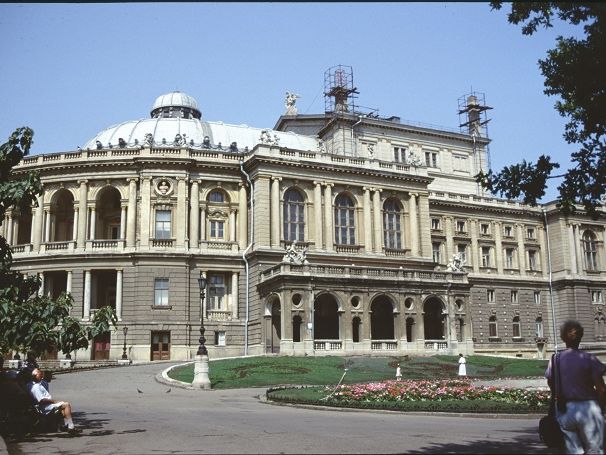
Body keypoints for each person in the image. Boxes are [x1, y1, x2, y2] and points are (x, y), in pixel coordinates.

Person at [545, 320, 606, 454]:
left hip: (565, 409)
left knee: (573, 451)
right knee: (595, 450)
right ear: (581, 337)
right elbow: (601, 389)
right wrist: (601, 409)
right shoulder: (589, 358)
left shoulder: (555, 359)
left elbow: (551, 382)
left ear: (562, 337)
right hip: (589, 408)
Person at [27, 368, 78, 434]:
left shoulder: (37, 384)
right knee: (66, 404)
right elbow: (42, 400)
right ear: (35, 376)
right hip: (44, 406)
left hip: (47, 404)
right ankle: (71, 426)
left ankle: (67, 426)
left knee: (63, 409)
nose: (41, 376)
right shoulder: (35, 387)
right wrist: (54, 401)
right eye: (40, 375)